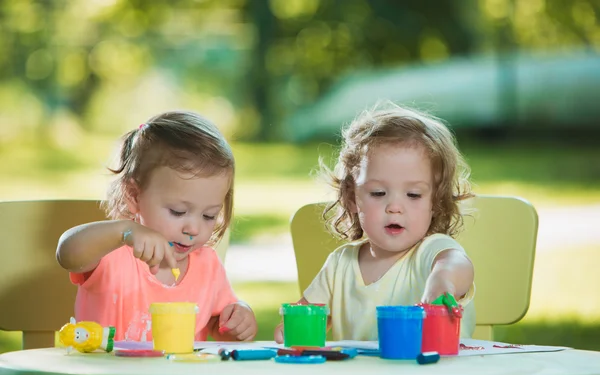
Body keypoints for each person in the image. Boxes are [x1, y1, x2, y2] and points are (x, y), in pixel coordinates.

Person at [275, 103, 475, 342]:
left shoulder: (432, 252)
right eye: (379, 193)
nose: (395, 207)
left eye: (413, 195)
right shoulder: (340, 264)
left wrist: (442, 282)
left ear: (435, 202)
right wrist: (291, 329)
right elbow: (306, 317)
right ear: (352, 198)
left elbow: (457, 265)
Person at [57, 111, 257, 342]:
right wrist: (123, 232)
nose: (193, 228)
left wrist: (237, 319)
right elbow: (67, 254)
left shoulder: (207, 266)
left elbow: (217, 325)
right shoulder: (112, 254)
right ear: (134, 195)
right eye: (178, 212)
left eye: (209, 215)